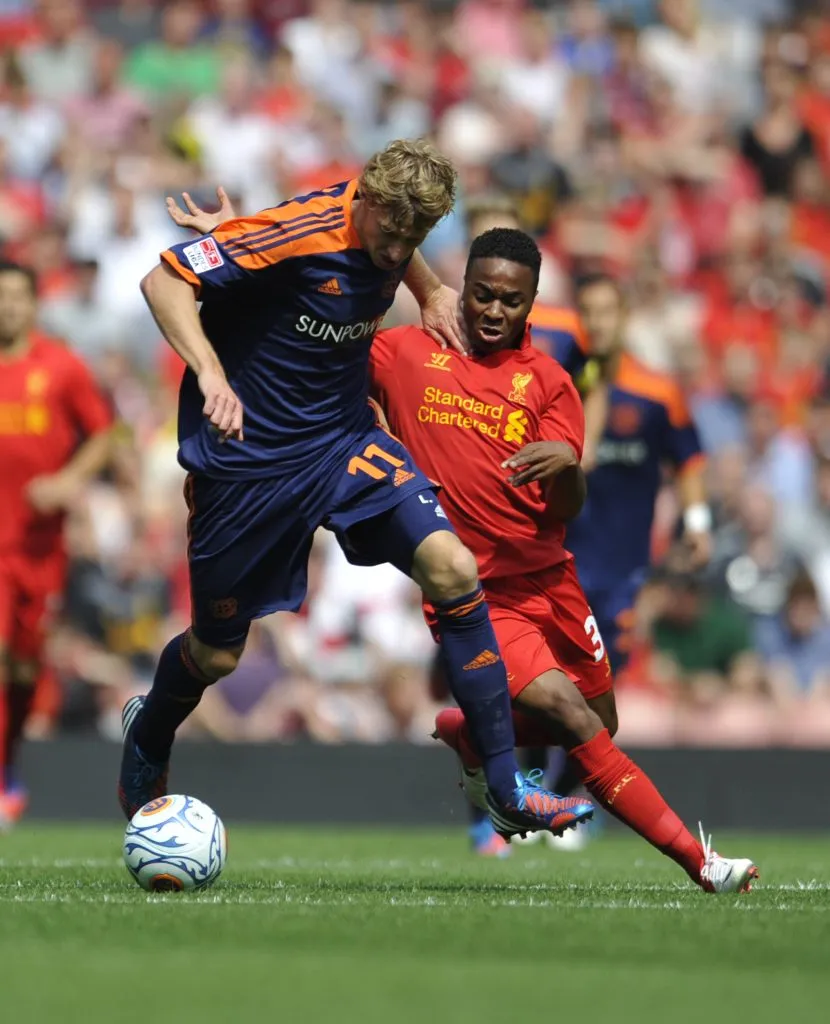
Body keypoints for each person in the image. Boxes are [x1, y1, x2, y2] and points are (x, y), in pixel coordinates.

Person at [123, 139, 594, 842]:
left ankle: (504, 789)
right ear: (364, 199)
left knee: (452, 567)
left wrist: (430, 288)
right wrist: (212, 373)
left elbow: (397, 249)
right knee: (217, 653)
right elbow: (163, 284)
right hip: (250, 465)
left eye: (415, 238)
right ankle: (150, 728)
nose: (396, 247)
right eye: (392, 231)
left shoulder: (394, 233)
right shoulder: (302, 231)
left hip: (344, 443)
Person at [368, 228, 757, 893]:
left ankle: (470, 728)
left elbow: (565, 507)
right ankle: (704, 864)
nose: (493, 311)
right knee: (575, 720)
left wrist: (569, 466)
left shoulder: (548, 383)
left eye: (510, 301)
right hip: (477, 594)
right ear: (461, 288)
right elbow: (342, 307)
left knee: (600, 723)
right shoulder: (406, 353)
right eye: (482, 295)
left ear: (533, 303)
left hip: (554, 580)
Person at [0, 260, 113, 827]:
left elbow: (103, 433)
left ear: (33, 304)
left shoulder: (61, 368)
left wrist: (70, 480)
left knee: (22, 669)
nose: (9, 306)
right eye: (2, 297)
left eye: (18, 296)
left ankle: (9, 760)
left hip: (39, 549)